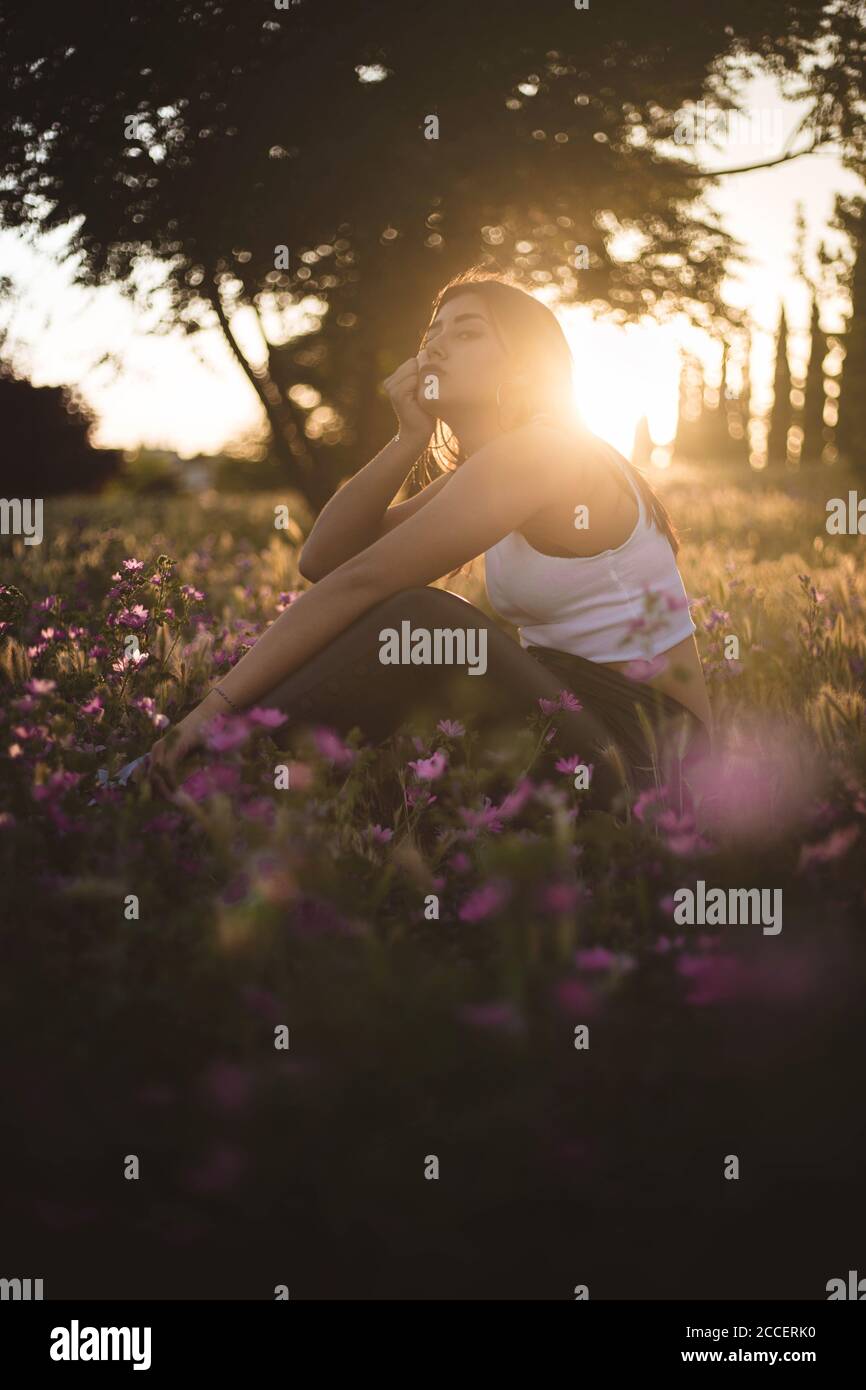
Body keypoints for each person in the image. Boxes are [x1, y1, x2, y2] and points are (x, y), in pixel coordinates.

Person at [145, 269, 711, 812]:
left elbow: (361, 580)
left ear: (526, 364)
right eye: (431, 334)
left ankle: (210, 763)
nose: (435, 347)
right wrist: (405, 438)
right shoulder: (494, 465)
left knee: (421, 617)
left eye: (466, 332)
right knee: (415, 621)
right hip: (573, 723)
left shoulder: (545, 452)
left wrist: (208, 712)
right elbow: (326, 559)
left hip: (649, 759)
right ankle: (234, 775)